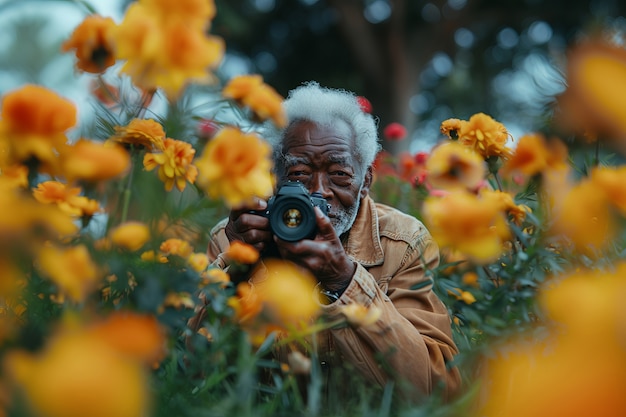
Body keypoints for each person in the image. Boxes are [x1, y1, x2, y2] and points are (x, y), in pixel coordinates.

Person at [198, 82, 460, 402]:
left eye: (338, 174)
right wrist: (238, 267)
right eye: (298, 173)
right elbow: (195, 372)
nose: (319, 191)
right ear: (273, 178)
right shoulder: (236, 235)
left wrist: (345, 280)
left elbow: (436, 389)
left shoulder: (402, 242)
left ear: (365, 182)